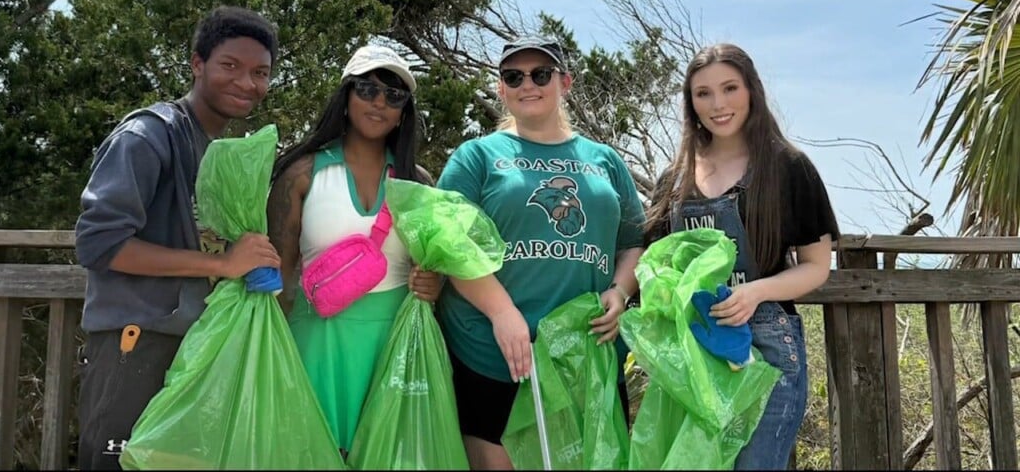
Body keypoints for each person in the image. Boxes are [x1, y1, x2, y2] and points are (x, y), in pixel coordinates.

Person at [74, 6, 283, 470]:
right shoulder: (148, 136)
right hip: (137, 344)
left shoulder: (218, 152)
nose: (247, 83)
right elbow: (99, 243)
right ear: (197, 64)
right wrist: (222, 264)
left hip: (195, 351)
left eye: (260, 73)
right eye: (230, 66)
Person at [435, 35, 646, 470]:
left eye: (541, 74)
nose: (527, 84)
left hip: (584, 354)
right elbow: (449, 243)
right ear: (501, 88)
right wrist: (501, 312)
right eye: (514, 76)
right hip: (496, 354)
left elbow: (632, 244)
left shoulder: (604, 159)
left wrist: (621, 292)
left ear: (564, 82)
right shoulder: (476, 157)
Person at [643, 43, 839, 470]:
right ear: (690, 103)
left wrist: (754, 293)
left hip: (765, 344)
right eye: (704, 93)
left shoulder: (789, 167)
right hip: (693, 346)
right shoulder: (673, 178)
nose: (718, 104)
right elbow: (653, 263)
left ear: (751, 90)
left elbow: (816, 267)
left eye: (730, 88)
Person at [266, 44, 442, 456]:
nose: (379, 102)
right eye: (367, 89)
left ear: (404, 112)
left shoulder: (418, 183)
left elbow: (431, 269)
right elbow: (278, 277)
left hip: (395, 347)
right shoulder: (301, 173)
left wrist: (435, 283)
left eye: (394, 96)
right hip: (316, 345)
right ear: (345, 96)